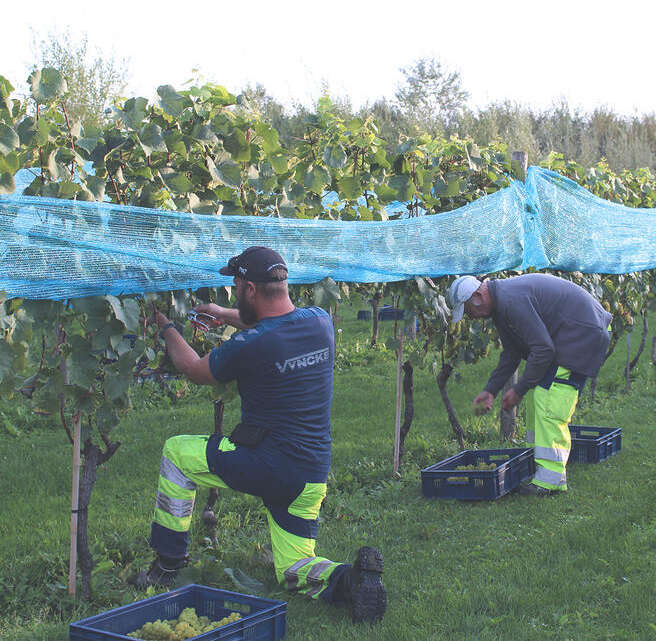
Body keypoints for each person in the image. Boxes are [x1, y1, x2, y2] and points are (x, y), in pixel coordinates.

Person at [133, 245, 386, 624]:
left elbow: (195, 370)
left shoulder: (251, 345)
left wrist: (165, 327)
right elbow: (272, 324)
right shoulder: (320, 322)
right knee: (293, 568)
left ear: (250, 288)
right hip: (310, 476)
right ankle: (349, 581)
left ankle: (168, 562)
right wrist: (223, 314)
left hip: (265, 463)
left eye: (236, 288)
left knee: (176, 453)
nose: (234, 295)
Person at [449, 273, 612, 495]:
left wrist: (519, 389)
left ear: (478, 296)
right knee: (538, 400)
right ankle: (541, 465)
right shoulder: (501, 305)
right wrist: (490, 390)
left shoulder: (511, 300)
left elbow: (544, 349)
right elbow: (512, 352)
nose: (472, 316)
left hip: (584, 333)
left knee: (549, 401)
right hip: (573, 331)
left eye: (469, 310)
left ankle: (551, 480)